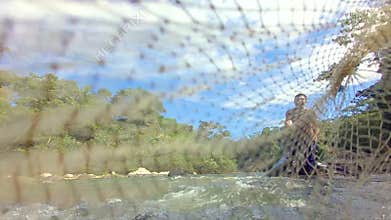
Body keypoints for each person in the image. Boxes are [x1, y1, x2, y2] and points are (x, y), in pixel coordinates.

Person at [285, 93, 319, 176]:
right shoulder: (290, 112)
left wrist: (315, 137)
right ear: (295, 101)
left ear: (306, 101)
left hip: (309, 138)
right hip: (295, 138)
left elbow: (315, 125)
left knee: (310, 160)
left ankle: (312, 178)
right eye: (298, 99)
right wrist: (291, 126)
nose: (301, 100)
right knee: (292, 158)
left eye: (303, 99)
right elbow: (288, 121)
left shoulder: (310, 112)